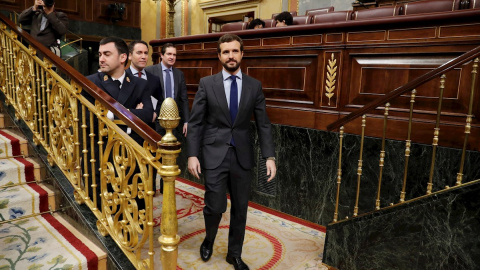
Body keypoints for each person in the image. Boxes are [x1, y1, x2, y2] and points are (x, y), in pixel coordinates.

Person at [187, 34, 276, 270]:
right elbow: (195, 123)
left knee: (240, 208)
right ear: (219, 56)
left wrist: (269, 156)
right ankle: (209, 238)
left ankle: (234, 254)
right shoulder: (207, 84)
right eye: (226, 52)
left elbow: (264, 123)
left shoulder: (254, 85)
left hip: (242, 156)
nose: (231, 56)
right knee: (214, 206)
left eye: (235, 51)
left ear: (242, 54)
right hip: (214, 153)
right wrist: (192, 154)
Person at [83, 37, 154, 209]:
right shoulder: (90, 82)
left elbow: (148, 114)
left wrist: (110, 114)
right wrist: (131, 111)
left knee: (136, 203)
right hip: (103, 151)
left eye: (107, 54)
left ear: (123, 58)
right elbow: (87, 118)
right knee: (106, 206)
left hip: (134, 150)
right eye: (100, 54)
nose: (101, 59)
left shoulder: (140, 84)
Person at [126, 39, 164, 193]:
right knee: (131, 173)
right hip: (129, 133)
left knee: (149, 169)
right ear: (129, 56)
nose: (143, 56)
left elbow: (160, 100)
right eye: (139, 53)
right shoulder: (122, 77)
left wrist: (154, 112)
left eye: (146, 53)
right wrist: (139, 112)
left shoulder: (154, 79)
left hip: (150, 130)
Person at [145, 43, 189, 137]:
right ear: (161, 55)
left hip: (175, 121)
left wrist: (186, 121)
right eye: (169, 54)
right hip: (157, 120)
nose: (172, 57)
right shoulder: (150, 71)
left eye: (174, 55)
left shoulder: (179, 74)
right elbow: (146, 95)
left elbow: (183, 99)